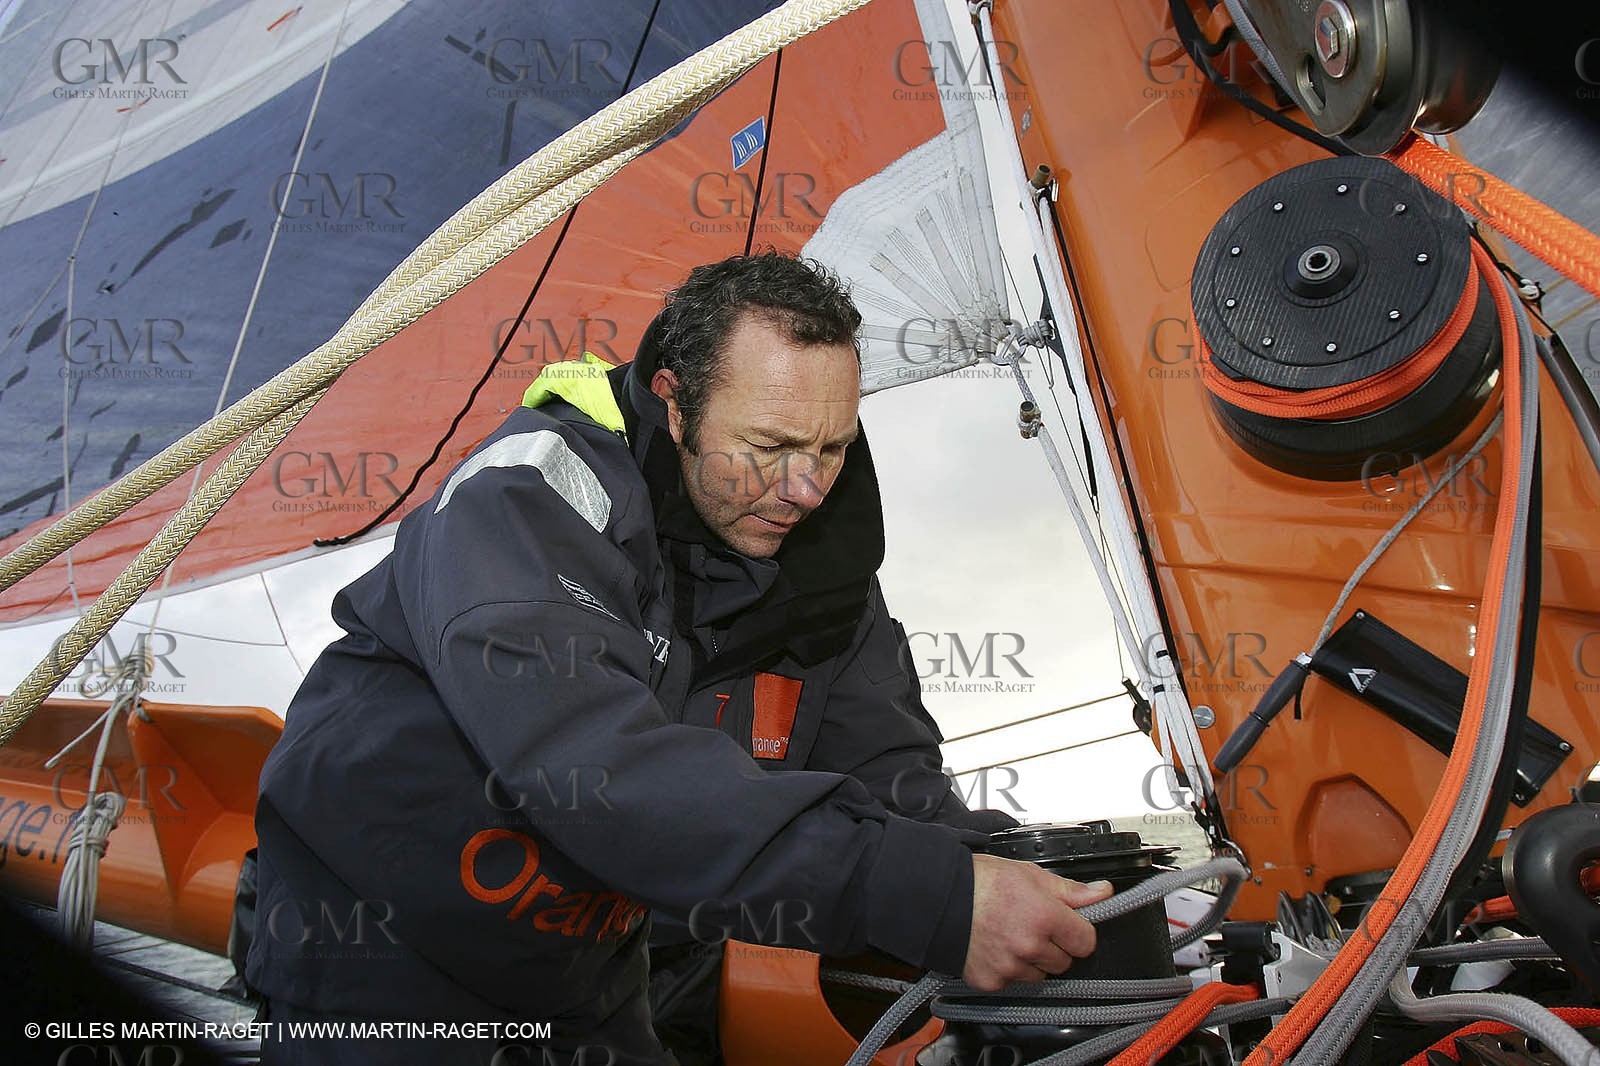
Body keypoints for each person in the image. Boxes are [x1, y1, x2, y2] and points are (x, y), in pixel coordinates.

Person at [246, 253, 1111, 1066]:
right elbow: (596, 765)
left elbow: (896, 786)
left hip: (587, 977)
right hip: (377, 950)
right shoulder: (527, 496)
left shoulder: (828, 579)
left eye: (832, 448)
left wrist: (1039, 877)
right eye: (768, 448)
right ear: (673, 402)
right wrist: (937, 900)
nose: (806, 490)